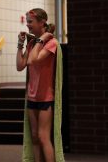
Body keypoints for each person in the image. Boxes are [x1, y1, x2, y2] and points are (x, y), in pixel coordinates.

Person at [16, 8, 64, 162]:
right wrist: (20, 45)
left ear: (42, 22)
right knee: (35, 137)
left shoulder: (52, 43)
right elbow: (20, 65)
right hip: (32, 97)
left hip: (45, 98)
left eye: (30, 22)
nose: (27, 25)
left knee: (44, 138)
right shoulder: (32, 44)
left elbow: (33, 60)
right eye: (27, 22)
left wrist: (42, 39)